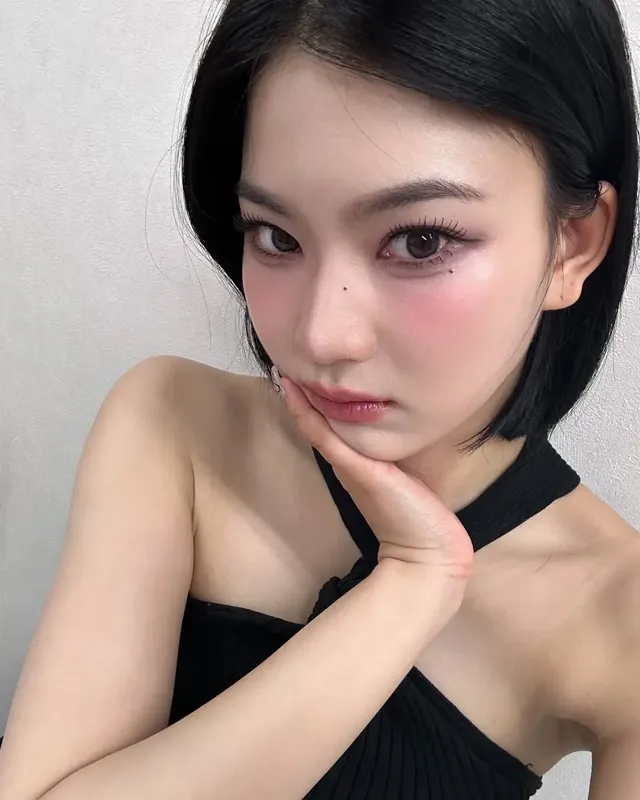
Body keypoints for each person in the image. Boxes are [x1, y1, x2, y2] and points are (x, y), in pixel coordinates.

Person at [1, 0, 640, 797]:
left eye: (421, 241)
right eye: (276, 236)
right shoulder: (177, 427)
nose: (321, 334)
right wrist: (408, 586)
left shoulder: (618, 613)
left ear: (573, 244)